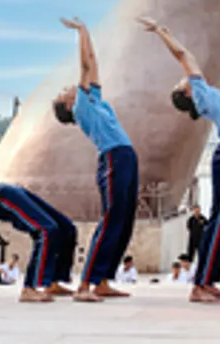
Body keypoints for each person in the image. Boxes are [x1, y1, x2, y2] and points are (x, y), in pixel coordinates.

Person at [142, 18, 220, 305]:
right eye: (183, 81)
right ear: (187, 92)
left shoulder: (203, 92)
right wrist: (162, 32)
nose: (186, 77)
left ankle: (209, 279)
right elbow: (183, 55)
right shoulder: (200, 92)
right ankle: (199, 284)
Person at [54, 16, 139, 303]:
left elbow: (94, 65)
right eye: (64, 92)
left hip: (126, 155)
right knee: (112, 217)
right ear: (68, 104)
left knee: (125, 220)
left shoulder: (95, 101)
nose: (68, 88)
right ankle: (85, 285)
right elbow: (86, 66)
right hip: (113, 158)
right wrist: (80, 33)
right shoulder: (81, 108)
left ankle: (103, 280)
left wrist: (88, 32)